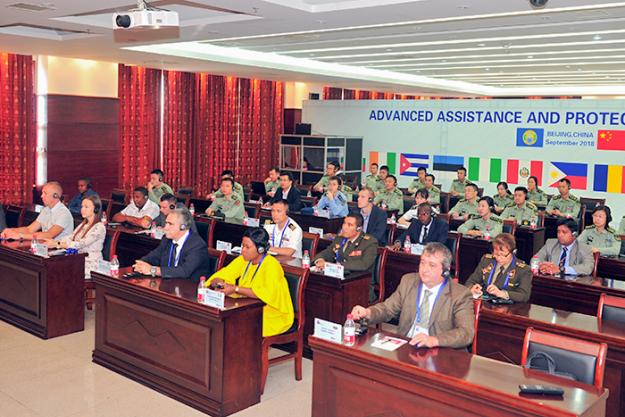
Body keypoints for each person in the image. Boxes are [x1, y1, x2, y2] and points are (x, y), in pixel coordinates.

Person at [350, 242, 474, 349]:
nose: (424, 269)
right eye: (422, 263)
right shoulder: (408, 281)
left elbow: (466, 333)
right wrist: (367, 312)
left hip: (440, 350)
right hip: (406, 344)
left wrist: (433, 340)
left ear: (445, 271)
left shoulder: (460, 294)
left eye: (432, 265)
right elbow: (388, 309)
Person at [206, 228, 293, 337]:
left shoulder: (272, 265)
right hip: (248, 306)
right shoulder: (243, 259)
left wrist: (235, 289)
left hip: (272, 313)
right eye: (242, 246)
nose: (243, 250)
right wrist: (219, 283)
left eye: (247, 247)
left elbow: (266, 294)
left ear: (260, 249)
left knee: (236, 323)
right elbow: (222, 275)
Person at [133, 207, 210, 280]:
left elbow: (184, 271)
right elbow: (154, 256)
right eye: (166, 223)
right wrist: (141, 264)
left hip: (190, 288)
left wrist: (153, 270)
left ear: (183, 227)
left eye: (170, 224)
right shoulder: (166, 239)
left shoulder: (197, 245)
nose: (165, 227)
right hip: (169, 285)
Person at [43, 195, 106, 278]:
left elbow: (80, 244)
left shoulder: (99, 227)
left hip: (91, 263)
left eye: (86, 207)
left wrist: (57, 244)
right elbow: (70, 237)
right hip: (78, 259)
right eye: (82, 206)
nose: (82, 209)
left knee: (61, 270)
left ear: (96, 209)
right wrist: (54, 242)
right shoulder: (83, 224)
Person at [464, 233, 532, 303]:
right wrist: (472, 288)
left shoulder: (523, 269)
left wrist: (502, 293)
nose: (499, 258)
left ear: (513, 252)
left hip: (507, 308)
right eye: (496, 254)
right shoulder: (487, 260)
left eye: (502, 255)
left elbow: (524, 296)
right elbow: (471, 281)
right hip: (483, 302)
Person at [1, 181, 74, 240]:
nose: (41, 196)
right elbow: (29, 229)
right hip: (47, 248)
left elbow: (49, 235)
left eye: (45, 193)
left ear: (55, 196)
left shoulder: (63, 213)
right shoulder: (46, 210)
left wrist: (20, 235)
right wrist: (11, 231)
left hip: (60, 252)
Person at [314, 213, 378, 272]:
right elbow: (328, 252)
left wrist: (337, 266)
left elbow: (364, 264)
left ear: (359, 229)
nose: (344, 228)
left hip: (358, 279)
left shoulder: (369, 242)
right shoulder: (340, 238)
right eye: (344, 223)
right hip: (338, 275)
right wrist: (320, 260)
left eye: (349, 225)